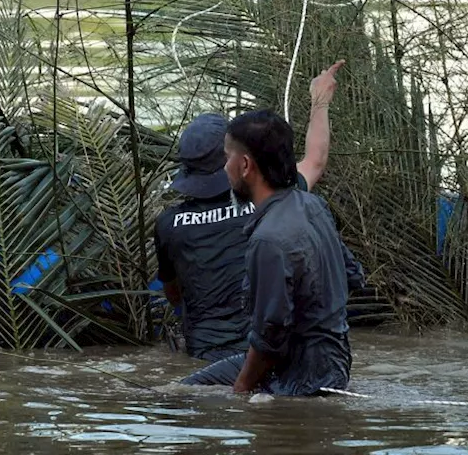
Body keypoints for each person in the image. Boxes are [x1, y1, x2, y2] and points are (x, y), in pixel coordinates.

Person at [154, 61, 344, 362]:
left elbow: (174, 295)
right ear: (241, 162)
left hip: (205, 356)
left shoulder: (168, 224)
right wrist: (320, 100)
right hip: (268, 357)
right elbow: (316, 159)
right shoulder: (271, 199)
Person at [182, 109, 365, 395]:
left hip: (301, 373)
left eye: (226, 157)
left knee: (177, 397)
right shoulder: (313, 205)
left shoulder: (266, 241)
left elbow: (270, 338)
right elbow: (354, 275)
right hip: (335, 361)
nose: (224, 168)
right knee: (183, 389)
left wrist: (241, 390)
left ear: (244, 165)